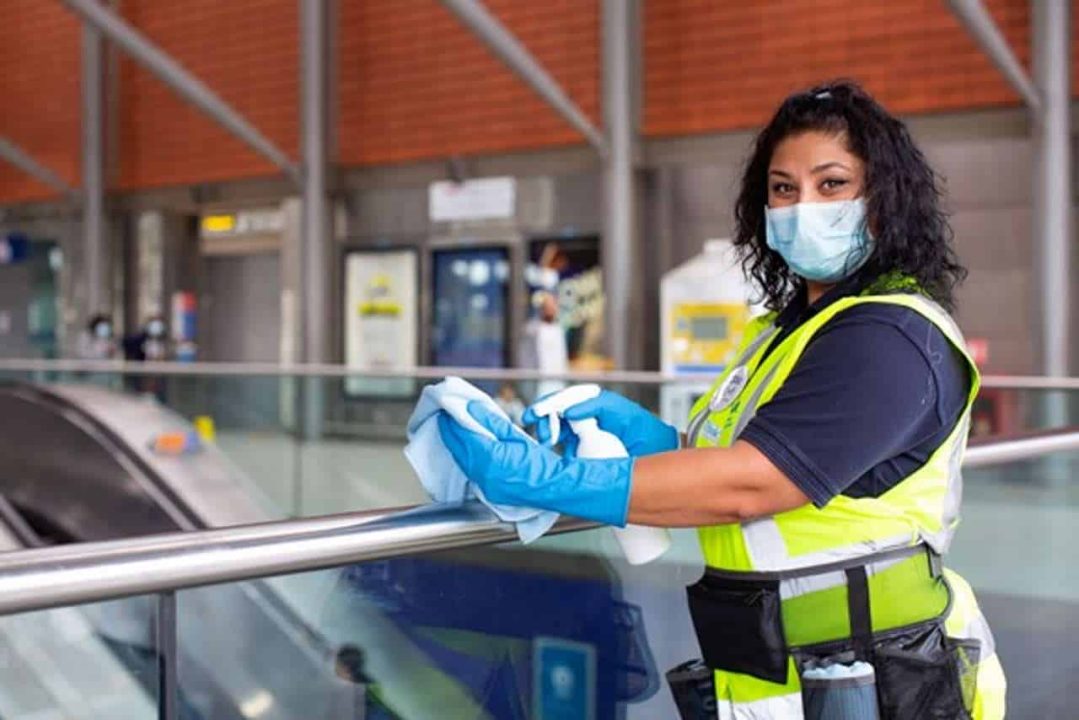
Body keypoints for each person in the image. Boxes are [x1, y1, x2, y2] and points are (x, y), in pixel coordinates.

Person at [438, 82, 1005, 719]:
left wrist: (554, 480)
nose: (801, 207)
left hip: (875, 680)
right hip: (778, 673)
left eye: (832, 184)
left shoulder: (890, 337)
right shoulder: (785, 331)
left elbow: (753, 485)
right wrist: (648, 440)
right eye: (783, 188)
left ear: (884, 200)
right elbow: (738, 455)